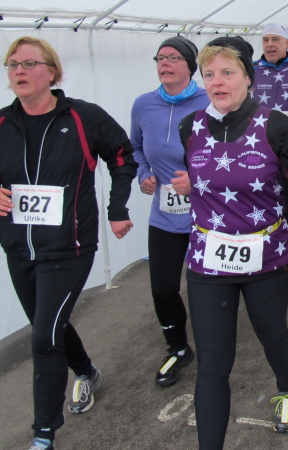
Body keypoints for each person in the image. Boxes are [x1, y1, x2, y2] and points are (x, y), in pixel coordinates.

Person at [0, 36, 138, 449]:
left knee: (43, 338)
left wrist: (117, 209)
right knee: (49, 326)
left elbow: (122, 156)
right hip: (19, 248)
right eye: (12, 65)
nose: (19, 71)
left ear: (52, 72)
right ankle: (87, 371)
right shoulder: (0, 123)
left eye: (28, 63)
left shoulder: (82, 116)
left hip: (69, 247)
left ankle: (44, 434)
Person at [177, 36, 288, 449]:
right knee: (212, 363)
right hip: (208, 261)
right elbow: (200, 180)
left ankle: (287, 387)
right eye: (209, 74)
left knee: (272, 335)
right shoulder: (189, 127)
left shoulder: (275, 125)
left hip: (266, 259)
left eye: (227, 72)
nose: (217, 81)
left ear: (248, 78)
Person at [130, 36, 209, 387]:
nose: (164, 63)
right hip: (164, 216)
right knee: (162, 289)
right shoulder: (143, 105)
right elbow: (135, 148)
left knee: (205, 289)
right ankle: (177, 347)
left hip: (208, 213)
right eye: (160, 58)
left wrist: (197, 178)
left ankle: (213, 348)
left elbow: (231, 152)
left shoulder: (210, 101)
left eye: (173, 57)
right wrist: (143, 173)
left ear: (190, 65)